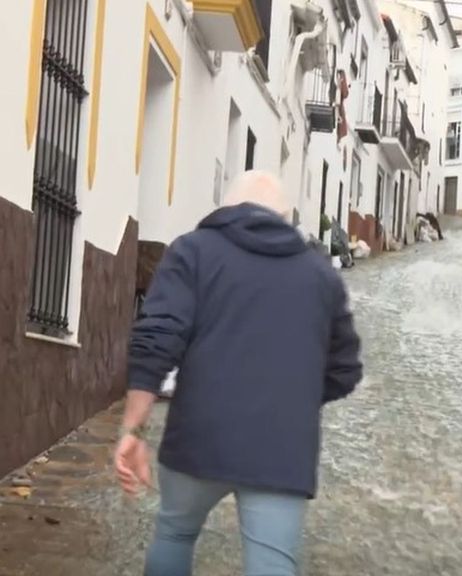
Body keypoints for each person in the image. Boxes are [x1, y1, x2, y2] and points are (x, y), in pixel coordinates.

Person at [114, 170, 363, 576]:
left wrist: (132, 429)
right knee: (272, 565)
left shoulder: (192, 251)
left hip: (199, 433)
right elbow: (345, 369)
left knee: (175, 533)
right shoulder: (322, 276)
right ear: (286, 218)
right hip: (282, 450)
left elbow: (157, 338)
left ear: (227, 207)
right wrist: (289, 396)